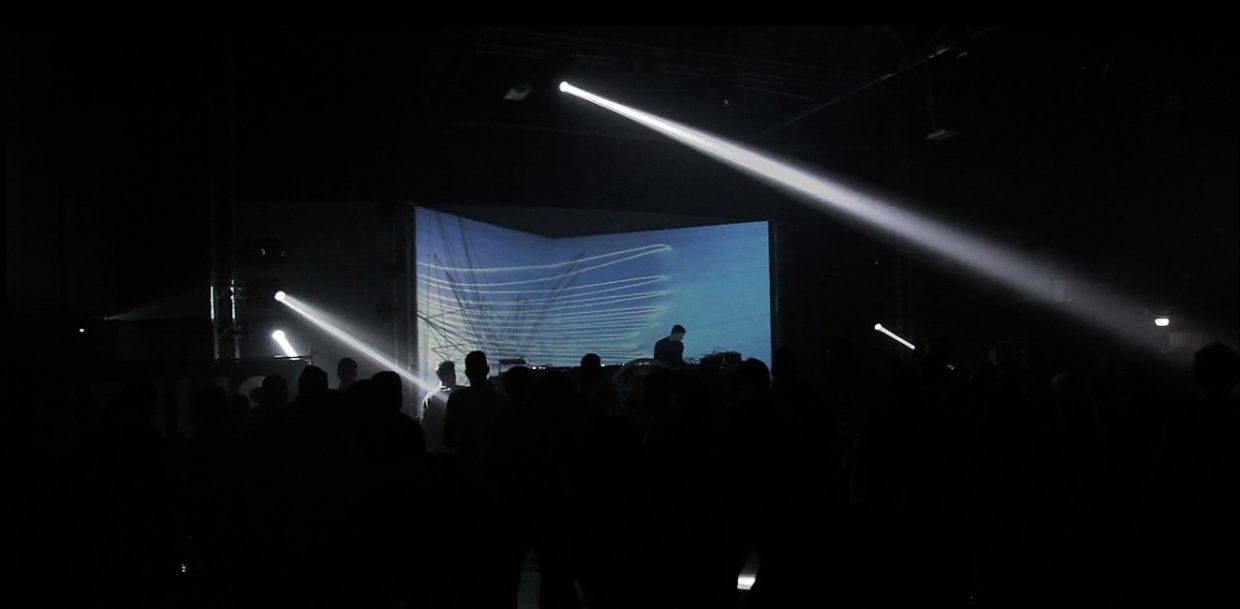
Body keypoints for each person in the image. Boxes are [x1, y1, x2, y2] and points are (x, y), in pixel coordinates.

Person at [420, 361, 459, 454]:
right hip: (457, 446)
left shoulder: (429, 397)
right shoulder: (461, 393)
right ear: (450, 374)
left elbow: (425, 422)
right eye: (453, 372)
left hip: (436, 446)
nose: (455, 375)